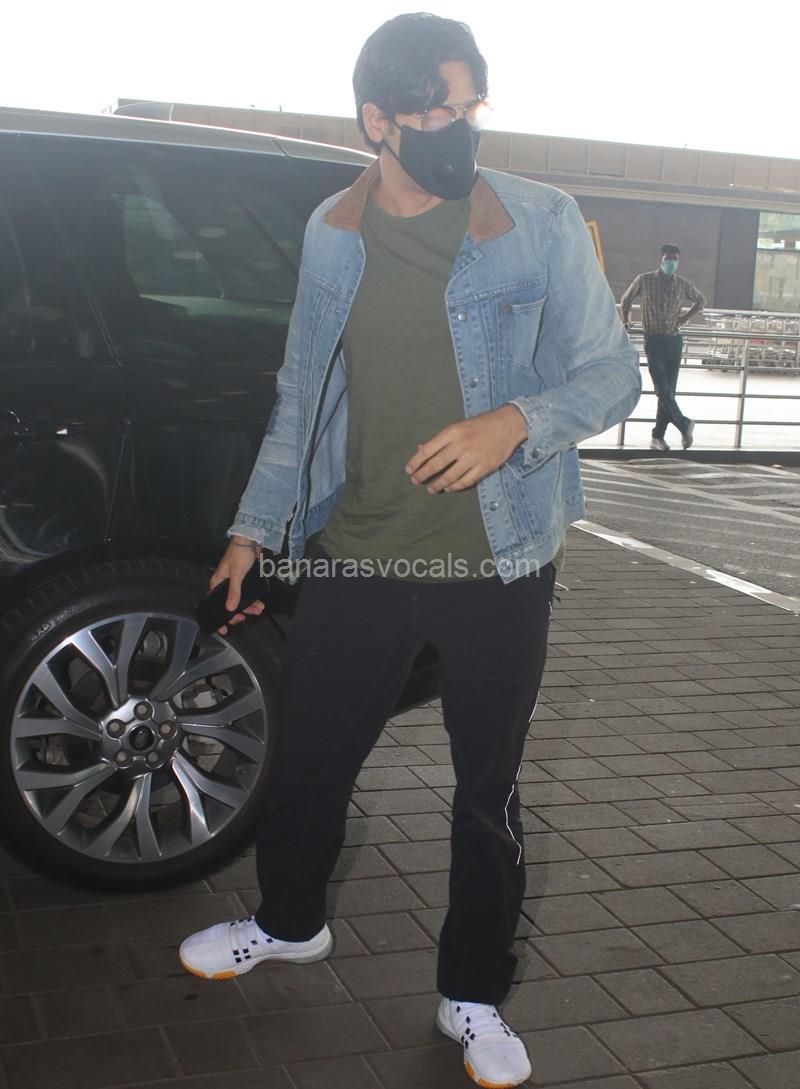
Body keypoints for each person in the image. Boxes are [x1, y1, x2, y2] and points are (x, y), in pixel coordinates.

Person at [179, 13, 641, 1087]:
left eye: (471, 106)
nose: (459, 129)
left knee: (486, 790)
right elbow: (302, 393)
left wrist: (514, 422)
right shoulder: (331, 230)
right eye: (436, 112)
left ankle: (472, 992)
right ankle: (289, 922)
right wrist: (252, 528)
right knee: (308, 763)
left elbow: (611, 372)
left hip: (499, 560)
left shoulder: (537, 219)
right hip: (361, 552)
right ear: (376, 120)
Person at [620, 244, 705, 451]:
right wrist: (626, 321)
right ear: (660, 259)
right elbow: (625, 300)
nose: (671, 263)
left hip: (674, 340)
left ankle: (658, 436)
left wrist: (684, 318)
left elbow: (701, 300)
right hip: (654, 340)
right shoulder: (644, 280)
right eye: (668, 258)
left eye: (675, 259)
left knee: (668, 391)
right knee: (662, 388)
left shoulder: (682, 284)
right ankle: (684, 424)